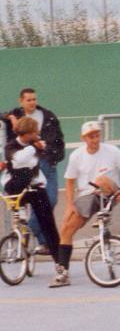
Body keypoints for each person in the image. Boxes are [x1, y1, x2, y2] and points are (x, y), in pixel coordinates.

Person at [54, 121, 120, 288]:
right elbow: (69, 182)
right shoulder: (77, 155)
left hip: (109, 193)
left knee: (100, 180)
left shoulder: (112, 151)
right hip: (86, 196)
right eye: (91, 136)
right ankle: (63, 271)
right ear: (83, 138)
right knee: (66, 228)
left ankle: (101, 217)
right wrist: (70, 205)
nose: (95, 139)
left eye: (97, 135)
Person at [7, 88, 65, 254]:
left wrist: (54, 157)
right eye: (29, 100)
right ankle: (43, 242)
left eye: (34, 99)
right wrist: (11, 118)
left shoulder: (48, 116)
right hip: (27, 166)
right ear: (21, 101)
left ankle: (29, 230)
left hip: (47, 162)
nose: (32, 102)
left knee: (51, 199)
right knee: (33, 201)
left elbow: (59, 139)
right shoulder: (15, 115)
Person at [2, 117, 60, 280]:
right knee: (15, 184)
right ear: (27, 134)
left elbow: (23, 163)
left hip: (34, 187)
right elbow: (19, 161)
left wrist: (34, 148)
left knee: (48, 224)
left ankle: (60, 264)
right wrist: (33, 148)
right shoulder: (11, 146)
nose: (38, 134)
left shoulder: (38, 146)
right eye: (35, 131)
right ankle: (19, 225)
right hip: (16, 187)